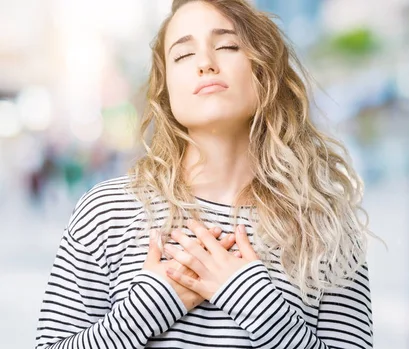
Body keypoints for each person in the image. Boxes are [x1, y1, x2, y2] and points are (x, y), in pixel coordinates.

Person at [35, 0, 374, 348]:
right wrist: (146, 309)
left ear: (264, 71)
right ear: (165, 91)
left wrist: (252, 299)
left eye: (227, 46)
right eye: (183, 55)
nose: (205, 64)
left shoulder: (324, 223)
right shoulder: (108, 212)